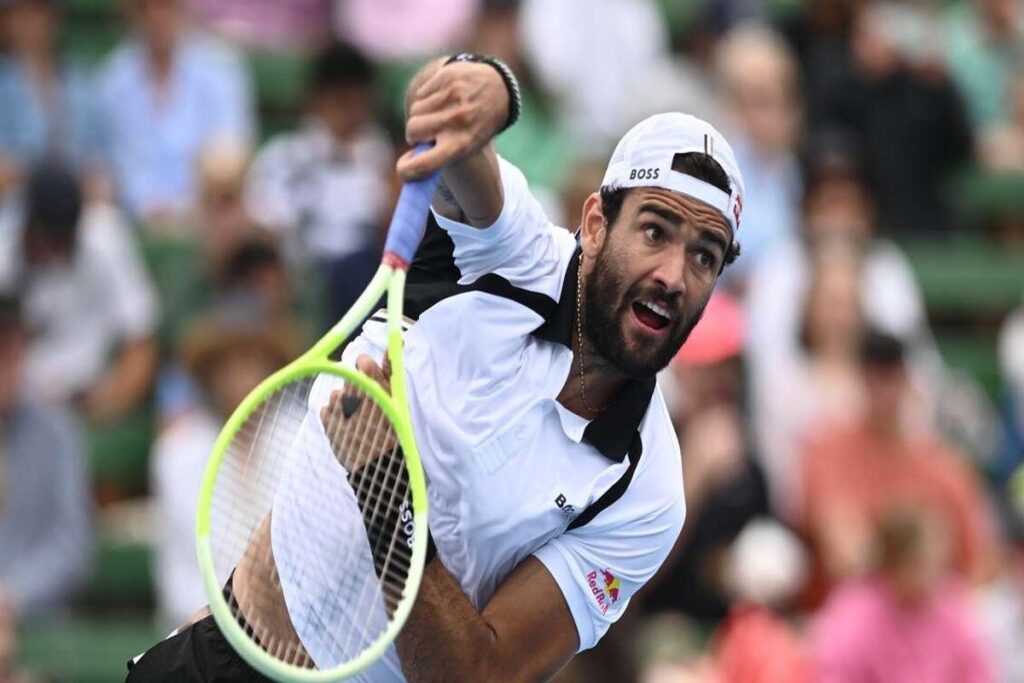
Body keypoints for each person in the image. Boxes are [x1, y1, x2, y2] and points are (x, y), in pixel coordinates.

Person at [128, 52, 747, 681]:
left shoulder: (648, 491)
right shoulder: (513, 254)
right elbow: (446, 123)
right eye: (654, 231)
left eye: (704, 256)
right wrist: (491, 91)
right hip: (222, 656)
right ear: (594, 223)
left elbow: (477, 676)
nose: (673, 274)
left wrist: (385, 487)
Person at [800, 331, 996, 591]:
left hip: (930, 616)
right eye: (873, 374)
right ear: (859, 378)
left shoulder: (945, 465)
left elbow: (980, 561)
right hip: (854, 617)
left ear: (908, 380)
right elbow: (844, 556)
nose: (882, 387)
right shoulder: (827, 452)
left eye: (891, 374)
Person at [151, 305, 301, 628]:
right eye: (229, 364)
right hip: (205, 632)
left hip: (292, 631)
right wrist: (228, 620)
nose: (241, 376)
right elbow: (177, 576)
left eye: (250, 359)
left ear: (272, 367)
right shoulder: (177, 453)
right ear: (209, 375)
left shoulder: (304, 437)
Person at [245, 41, 392, 325]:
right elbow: (264, 223)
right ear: (317, 100)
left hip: (366, 276)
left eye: (358, 101)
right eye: (341, 101)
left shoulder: (384, 159)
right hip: (300, 275)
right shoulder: (285, 156)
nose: (350, 112)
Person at [0, 163, 159, 421]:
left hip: (92, 397)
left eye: (63, 236)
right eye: (48, 235)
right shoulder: (4, 253)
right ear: (28, 224)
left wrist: (111, 402)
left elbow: (141, 341)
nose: (54, 248)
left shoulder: (105, 235)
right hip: (17, 407)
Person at [98, 0, 254, 223]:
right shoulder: (112, 80)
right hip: (133, 221)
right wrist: (151, 210)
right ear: (131, 12)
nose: (156, 16)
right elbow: (116, 166)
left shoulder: (221, 69)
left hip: (209, 216)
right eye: (145, 7)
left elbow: (230, 154)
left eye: (164, 5)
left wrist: (189, 210)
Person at [0, 295, 93, 666]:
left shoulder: (57, 432)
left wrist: (10, 596)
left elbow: (72, 544)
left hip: (40, 630)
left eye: (11, 350)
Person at [812, 507, 993, 682]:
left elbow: (976, 670)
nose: (932, 572)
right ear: (895, 560)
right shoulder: (853, 610)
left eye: (937, 560)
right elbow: (834, 672)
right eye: (921, 562)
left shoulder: (951, 602)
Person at [0, 0, 105, 197]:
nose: (35, 23)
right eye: (24, 14)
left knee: (104, 221)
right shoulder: (4, 82)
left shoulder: (78, 79)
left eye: (42, 13)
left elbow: (99, 160)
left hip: (74, 202)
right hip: (17, 203)